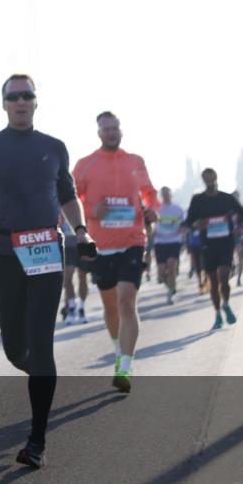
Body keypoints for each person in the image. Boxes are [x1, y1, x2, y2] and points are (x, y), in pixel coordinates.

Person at [0, 73, 95, 468]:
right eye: (13, 96)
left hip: (45, 251)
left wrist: (82, 232)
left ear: (36, 102)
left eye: (27, 95)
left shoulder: (54, 148)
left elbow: (68, 196)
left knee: (42, 342)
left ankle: (36, 440)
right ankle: (42, 375)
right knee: (13, 348)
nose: (20, 102)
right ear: (4, 104)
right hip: (4, 253)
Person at [73, 111, 158, 394]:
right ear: (99, 133)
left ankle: (125, 364)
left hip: (133, 241)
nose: (111, 132)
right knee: (110, 307)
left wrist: (152, 209)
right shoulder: (86, 165)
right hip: (102, 246)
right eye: (106, 129)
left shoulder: (135, 162)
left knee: (125, 302)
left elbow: (149, 193)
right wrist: (90, 212)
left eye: (115, 128)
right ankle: (117, 348)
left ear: (121, 131)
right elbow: (70, 197)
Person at [185, 169, 243, 328]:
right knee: (213, 281)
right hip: (207, 244)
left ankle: (226, 303)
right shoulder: (198, 200)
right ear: (203, 180)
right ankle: (218, 314)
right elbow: (189, 221)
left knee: (224, 276)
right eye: (206, 179)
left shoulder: (226, 198)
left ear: (216, 178)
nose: (210, 181)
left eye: (212, 178)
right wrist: (196, 225)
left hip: (225, 242)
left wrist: (239, 227)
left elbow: (242, 213)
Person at [153, 187, 186, 304]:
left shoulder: (177, 209)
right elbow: (150, 222)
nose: (166, 196)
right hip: (160, 242)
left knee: (171, 266)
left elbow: (184, 223)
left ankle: (169, 295)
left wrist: (182, 229)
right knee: (161, 273)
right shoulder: (157, 209)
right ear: (161, 196)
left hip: (174, 241)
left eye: (168, 193)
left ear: (171, 195)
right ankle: (172, 285)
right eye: (164, 194)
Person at [58, 215, 90, 325]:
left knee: (83, 277)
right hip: (67, 246)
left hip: (81, 244)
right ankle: (71, 307)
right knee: (67, 278)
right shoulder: (56, 201)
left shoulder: (80, 201)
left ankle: (81, 307)